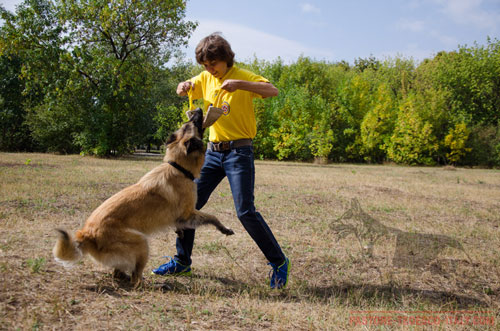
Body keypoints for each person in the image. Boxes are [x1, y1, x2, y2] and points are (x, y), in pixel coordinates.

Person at [152, 32, 290, 289]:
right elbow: (184, 87)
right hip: (212, 154)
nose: (209, 70)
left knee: (245, 211)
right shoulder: (206, 78)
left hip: (239, 152)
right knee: (186, 207)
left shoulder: (244, 76)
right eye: (204, 66)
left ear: (225, 58)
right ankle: (182, 262)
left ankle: (279, 263)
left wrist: (240, 85)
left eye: (212, 64)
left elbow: (273, 90)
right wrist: (182, 86)